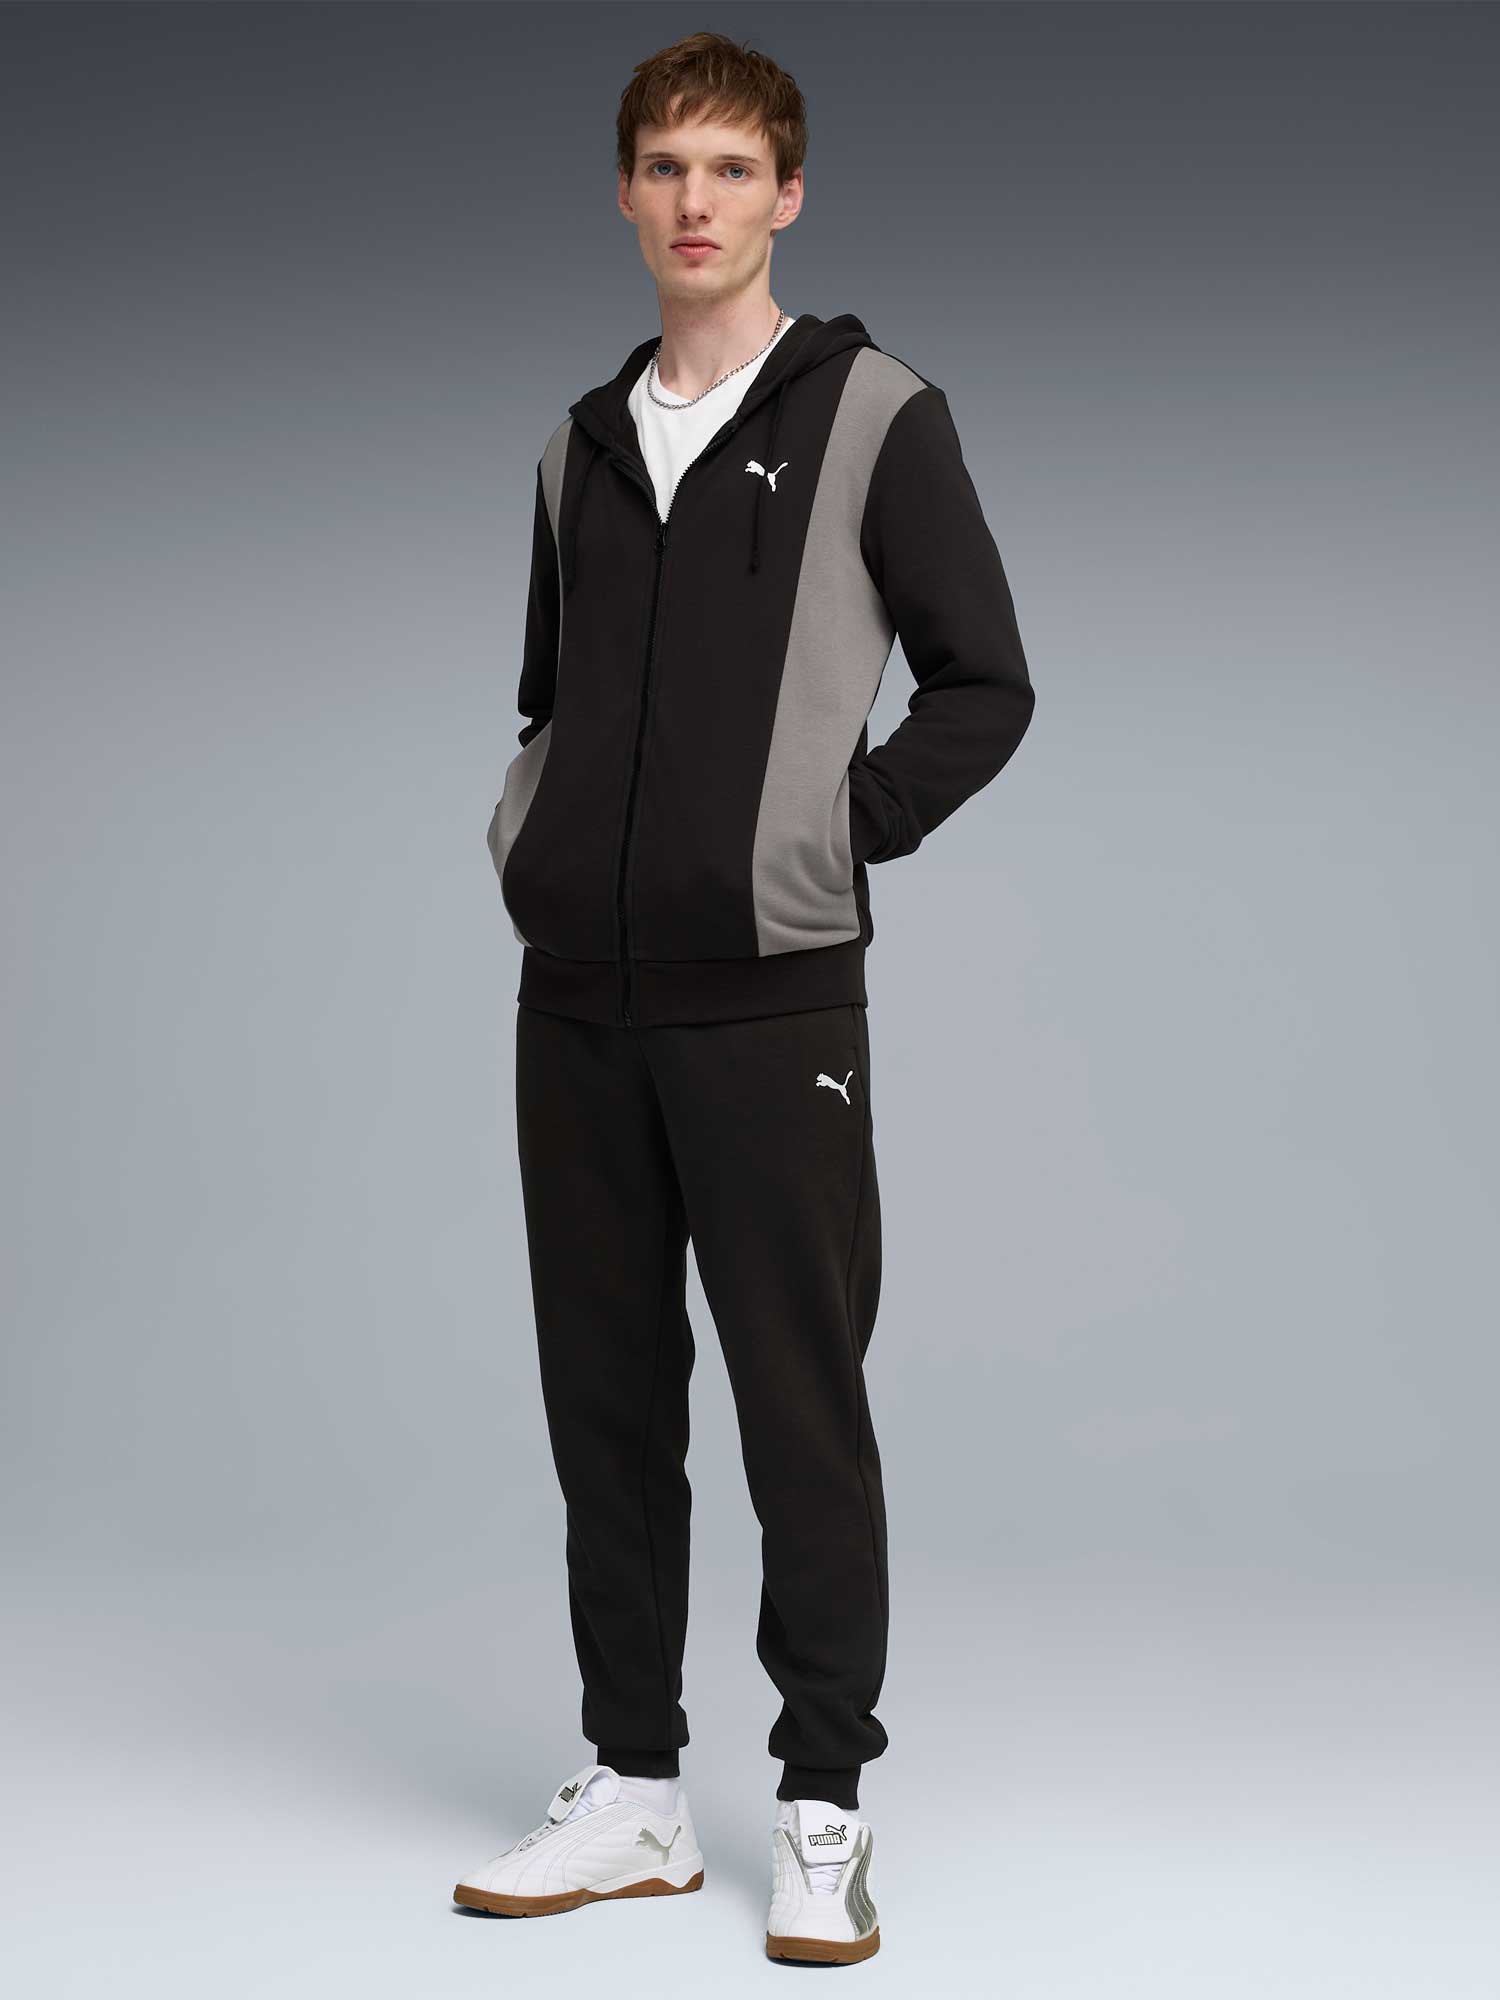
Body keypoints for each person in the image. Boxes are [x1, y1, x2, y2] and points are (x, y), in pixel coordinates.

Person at [453, 30, 1034, 1966]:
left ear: (789, 194)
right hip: (574, 1003)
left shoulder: (875, 415)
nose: (693, 202)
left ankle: (821, 1802)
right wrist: (530, 841)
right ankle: (631, 1790)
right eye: (663, 167)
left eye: (729, 169)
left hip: (774, 1005)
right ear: (624, 195)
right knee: (605, 1406)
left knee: (800, 1403)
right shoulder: (576, 445)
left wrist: (830, 835)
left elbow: (985, 683)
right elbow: (549, 703)